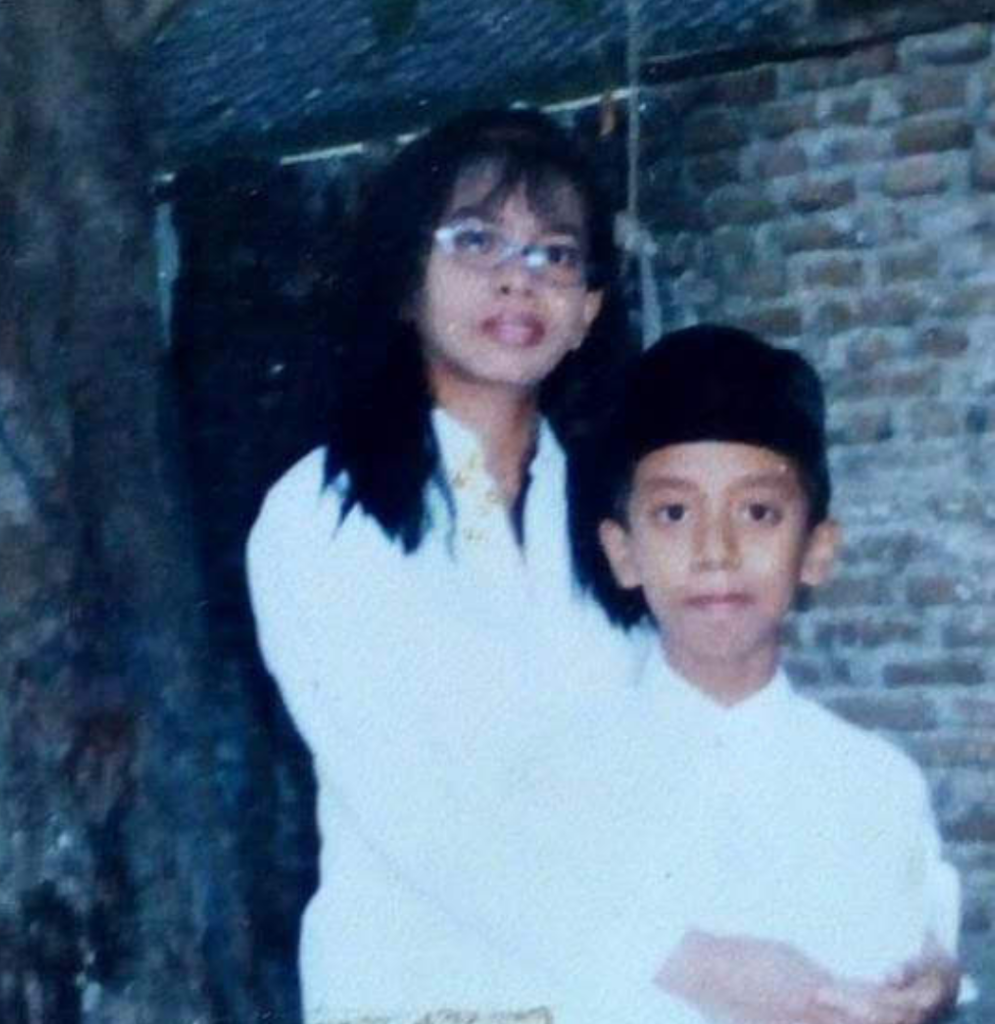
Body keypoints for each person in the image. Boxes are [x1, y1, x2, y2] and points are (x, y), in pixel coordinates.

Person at [247, 108, 957, 1023]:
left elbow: (726, 743)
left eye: (554, 254)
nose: (517, 277)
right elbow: (418, 812)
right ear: (404, 281)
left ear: (586, 310)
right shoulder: (324, 516)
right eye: (476, 241)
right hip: (425, 988)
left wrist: (916, 946)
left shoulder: (616, 510)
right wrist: (698, 964)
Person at [572, 323, 963, 1024]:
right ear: (623, 551)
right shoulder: (563, 778)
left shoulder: (878, 783)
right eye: (673, 513)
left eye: (757, 512)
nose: (716, 550)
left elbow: (924, 957)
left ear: (817, 550)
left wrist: (930, 986)